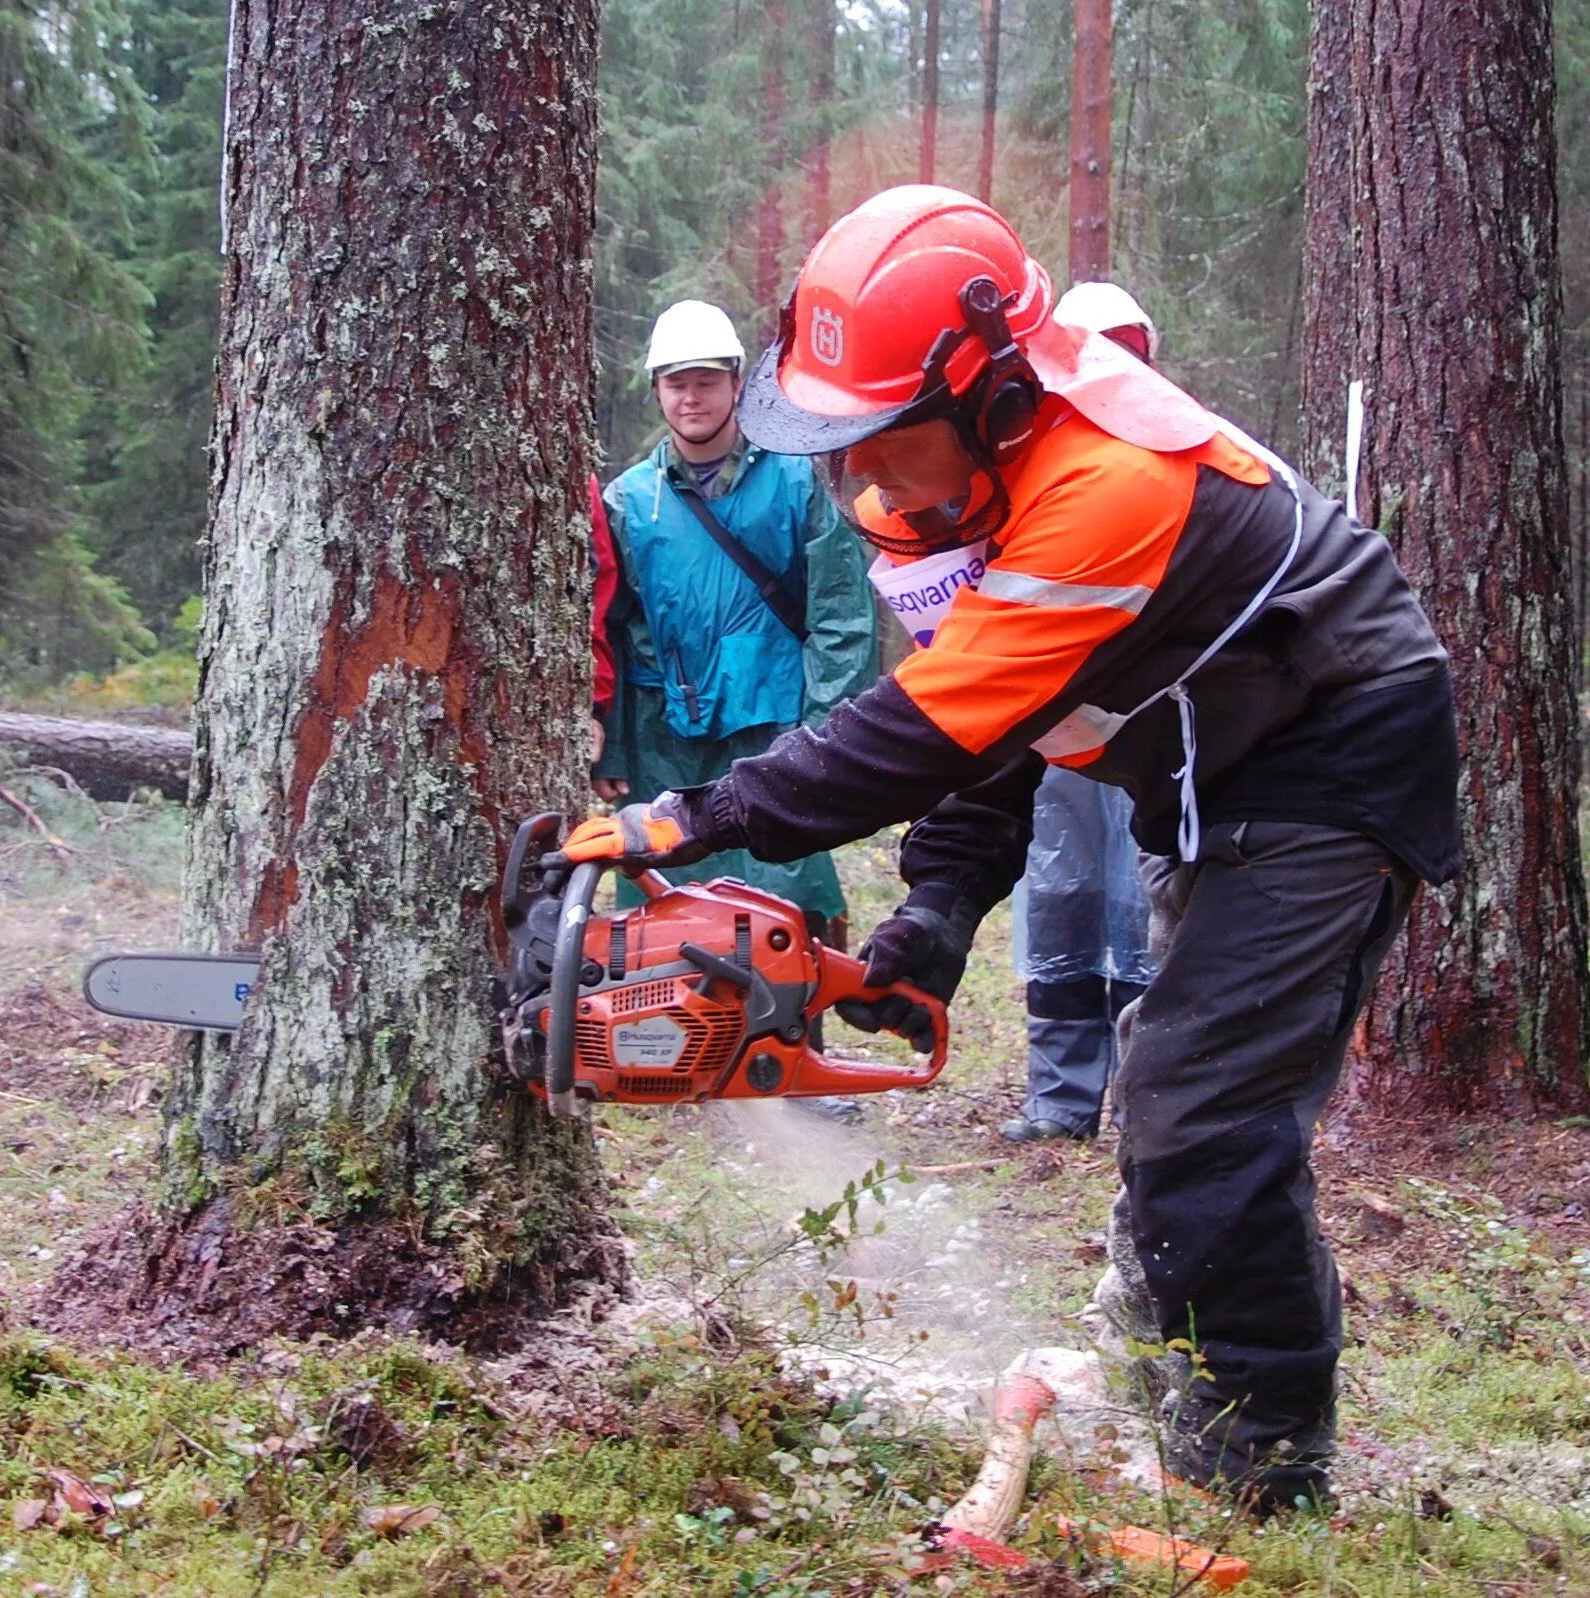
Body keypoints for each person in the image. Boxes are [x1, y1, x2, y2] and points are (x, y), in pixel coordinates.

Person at [556, 187, 1462, 1511]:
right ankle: (1155, 1352)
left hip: (1328, 747)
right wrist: (935, 915)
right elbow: (996, 715)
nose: (858, 474)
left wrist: (701, 811)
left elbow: (925, 727)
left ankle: (1257, 1465)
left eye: (878, 438)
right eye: (838, 441)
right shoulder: (947, 496)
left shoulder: (1107, 486)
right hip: (1204, 757)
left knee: (1202, 1097)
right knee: (1177, 1082)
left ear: (983, 395)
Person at [591, 300, 878, 943]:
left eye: (706, 381)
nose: (691, 398)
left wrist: (826, 734)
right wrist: (612, 746)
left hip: (775, 738)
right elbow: (611, 630)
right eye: (677, 383)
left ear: (736, 383)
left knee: (785, 924)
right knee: (661, 931)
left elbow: (840, 615)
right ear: (657, 391)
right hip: (665, 748)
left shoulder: (794, 480)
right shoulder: (631, 501)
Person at [999, 282, 1166, 1144]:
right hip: (1058, 725)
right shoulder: (1037, 476)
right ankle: (1061, 1099)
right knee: (1061, 898)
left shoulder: (1177, 464)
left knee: (1145, 910)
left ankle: (1143, 1101)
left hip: (1151, 728)